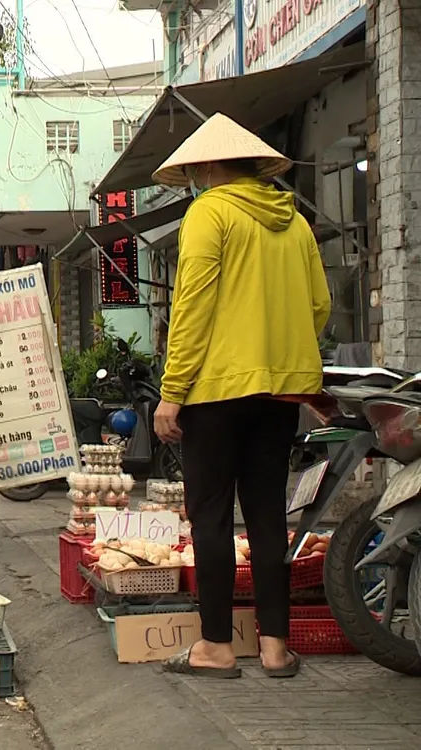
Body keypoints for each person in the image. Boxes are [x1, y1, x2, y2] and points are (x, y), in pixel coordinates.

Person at [150, 114, 331, 679]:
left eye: (197, 170)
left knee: (209, 517)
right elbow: (319, 306)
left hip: (216, 391)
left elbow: (193, 307)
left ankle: (215, 647)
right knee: (267, 517)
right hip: (279, 395)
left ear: (207, 166)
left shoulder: (210, 212)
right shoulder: (295, 223)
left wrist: (172, 392)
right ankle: (276, 647)